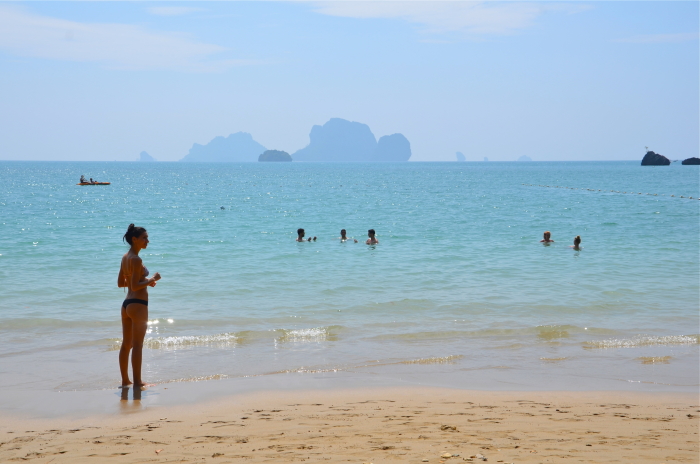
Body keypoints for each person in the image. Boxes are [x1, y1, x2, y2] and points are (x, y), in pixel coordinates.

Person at [117, 224, 161, 388]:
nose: (147, 241)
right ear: (134, 239)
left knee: (126, 344)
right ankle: (137, 382)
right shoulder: (136, 259)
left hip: (126, 304)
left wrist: (144, 283)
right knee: (138, 345)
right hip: (138, 304)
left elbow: (122, 283)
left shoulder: (125, 257)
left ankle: (125, 380)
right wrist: (153, 279)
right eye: (144, 238)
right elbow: (135, 286)